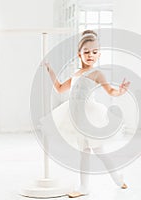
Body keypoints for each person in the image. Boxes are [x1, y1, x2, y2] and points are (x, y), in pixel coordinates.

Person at [43, 30, 130, 198]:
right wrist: (49, 70)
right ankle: (117, 179)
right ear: (79, 54)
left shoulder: (97, 73)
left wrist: (120, 91)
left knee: (93, 151)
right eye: (86, 52)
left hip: (90, 116)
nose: (91, 55)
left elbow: (110, 90)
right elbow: (60, 88)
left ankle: (86, 186)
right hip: (75, 115)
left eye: (95, 52)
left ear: (99, 54)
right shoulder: (76, 74)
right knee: (93, 151)